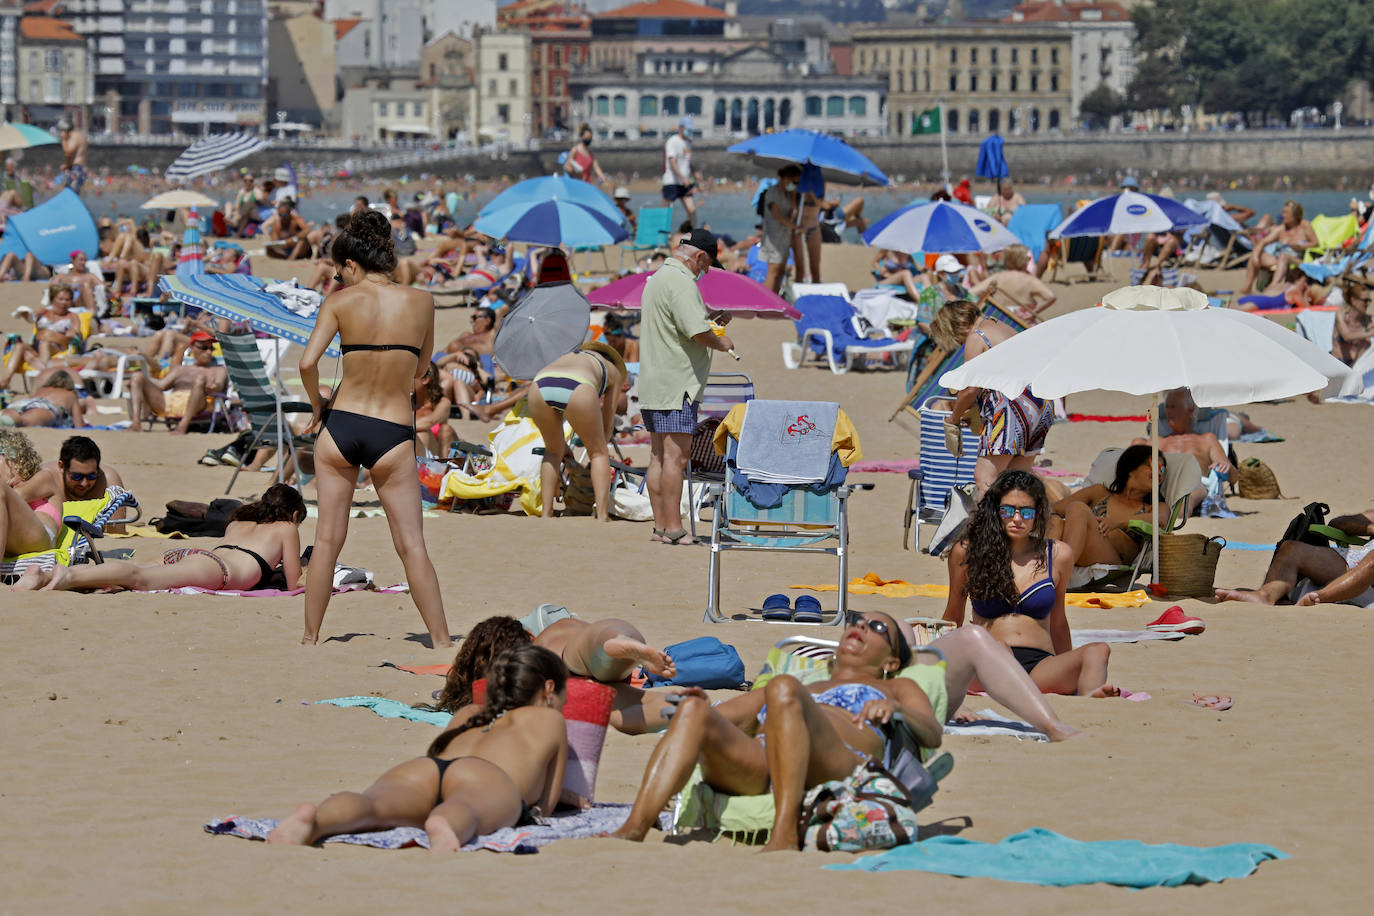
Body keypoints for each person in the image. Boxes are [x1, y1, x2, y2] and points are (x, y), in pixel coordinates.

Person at [609, 610, 941, 850]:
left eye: (877, 626)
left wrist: (898, 711)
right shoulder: (797, 685)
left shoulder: (899, 688)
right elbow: (721, 717)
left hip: (840, 762)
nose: (862, 626)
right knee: (694, 709)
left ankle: (784, 833)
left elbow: (932, 734)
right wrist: (693, 710)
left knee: (783, 688)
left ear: (892, 662)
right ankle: (635, 826)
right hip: (766, 762)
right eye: (857, 620)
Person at [298, 209, 451, 648]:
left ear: (350, 263)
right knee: (411, 545)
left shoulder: (341, 302)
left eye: (338, 272)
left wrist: (317, 404)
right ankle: (440, 640)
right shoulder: (421, 300)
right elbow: (421, 369)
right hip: (391, 428)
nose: (337, 280)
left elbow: (308, 363)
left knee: (327, 539)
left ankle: (310, 638)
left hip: (342, 423)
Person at [266, 645, 569, 853]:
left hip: (426, 770)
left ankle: (314, 821)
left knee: (373, 805)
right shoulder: (550, 718)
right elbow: (547, 803)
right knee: (467, 808)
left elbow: (441, 756)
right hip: (487, 779)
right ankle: (446, 822)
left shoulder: (468, 713)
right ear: (549, 689)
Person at [943, 470, 1119, 697]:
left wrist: (1067, 663)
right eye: (1007, 510)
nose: (1017, 519)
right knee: (1001, 650)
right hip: (988, 658)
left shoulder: (1057, 555)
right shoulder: (968, 552)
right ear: (995, 511)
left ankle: (1090, 699)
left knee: (1097, 651)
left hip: (1039, 665)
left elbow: (1058, 622)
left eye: (1026, 512)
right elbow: (953, 615)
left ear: (1037, 514)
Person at [13, 483, 305, 593]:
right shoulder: (286, 529)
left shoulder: (240, 520)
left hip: (196, 556)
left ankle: (45, 576)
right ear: (293, 516)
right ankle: (60, 577)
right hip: (217, 570)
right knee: (138, 576)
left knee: (130, 576)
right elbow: (295, 583)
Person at [426, 613, 677, 736]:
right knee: (596, 643)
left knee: (613, 707)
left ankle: (676, 709)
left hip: (575, 677)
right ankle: (620, 641)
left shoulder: (531, 664)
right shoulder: (554, 630)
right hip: (598, 644)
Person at [638, 229, 734, 545]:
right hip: (677, 382)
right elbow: (696, 332)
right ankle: (675, 528)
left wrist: (711, 323)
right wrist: (721, 342)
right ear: (699, 256)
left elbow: (683, 325)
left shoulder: (658, 279)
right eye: (704, 266)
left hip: (654, 380)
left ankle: (661, 527)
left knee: (657, 456)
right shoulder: (681, 283)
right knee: (676, 458)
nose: (703, 272)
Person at [933, 300, 1051, 494]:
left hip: (1012, 409)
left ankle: (988, 525)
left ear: (956, 325)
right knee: (1017, 482)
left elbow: (969, 390)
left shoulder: (976, 335)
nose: (959, 343)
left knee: (984, 477)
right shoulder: (998, 324)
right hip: (1040, 404)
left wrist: (952, 420)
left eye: (955, 338)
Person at [527, 341, 627, 521]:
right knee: (598, 453)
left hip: (540, 383)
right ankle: (602, 514)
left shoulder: (570, 355)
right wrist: (601, 442)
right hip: (579, 385)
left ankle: (546, 512)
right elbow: (608, 421)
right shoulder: (613, 371)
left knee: (552, 450)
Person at [1215, 507, 1374, 606]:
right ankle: (1264, 596)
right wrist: (1369, 528)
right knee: (1291, 549)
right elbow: (1338, 523)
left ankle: (1321, 597)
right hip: (1357, 560)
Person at [1048, 444, 1162, 568]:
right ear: (1132, 466)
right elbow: (1053, 508)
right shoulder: (1099, 493)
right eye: (1154, 464)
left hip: (1114, 558)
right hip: (1079, 547)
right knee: (1056, 522)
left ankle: (1055, 573)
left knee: (1078, 508)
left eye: (1164, 470)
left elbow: (1160, 519)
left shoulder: (1154, 507)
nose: (1160, 472)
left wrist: (1118, 523)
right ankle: (1044, 573)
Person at [1131, 388, 1232, 514]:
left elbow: (1232, 476)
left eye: (1173, 406)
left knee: (1183, 502)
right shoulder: (1157, 440)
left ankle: (1171, 528)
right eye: (1167, 407)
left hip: (1194, 484)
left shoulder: (1207, 439)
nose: (1168, 411)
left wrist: (1227, 467)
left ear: (1190, 410)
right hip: (1161, 481)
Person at [127, 330, 228, 434]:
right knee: (137, 377)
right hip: (169, 404)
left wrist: (214, 387)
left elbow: (219, 385)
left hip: (199, 406)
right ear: (192, 348)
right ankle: (136, 423)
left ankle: (183, 425)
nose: (209, 352)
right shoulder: (180, 369)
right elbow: (161, 385)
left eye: (211, 348)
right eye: (204, 348)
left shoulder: (219, 370)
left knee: (200, 379)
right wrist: (139, 382)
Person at [0, 286, 81, 391]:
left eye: (67, 299)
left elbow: (77, 336)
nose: (64, 303)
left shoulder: (72, 316)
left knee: (44, 343)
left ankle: (42, 378)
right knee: (19, 346)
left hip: (57, 346)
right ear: (53, 299)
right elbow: (31, 318)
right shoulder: (44, 312)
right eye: (60, 299)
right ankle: (6, 380)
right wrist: (25, 314)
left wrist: (72, 333)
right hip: (37, 346)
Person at [0, 429, 60, 559]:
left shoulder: (44, 477)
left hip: (40, 538)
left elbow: (18, 495)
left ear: (15, 462)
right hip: (13, 541)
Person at [1240, 200, 1319, 295]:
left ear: (1295, 214)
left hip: (1296, 260)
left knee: (1284, 256)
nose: (1282, 215)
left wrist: (1301, 246)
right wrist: (1256, 257)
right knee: (1257, 253)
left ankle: (1272, 286)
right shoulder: (1281, 229)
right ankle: (1248, 287)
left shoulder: (1304, 226)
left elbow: (1315, 243)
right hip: (1278, 258)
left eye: (1286, 213)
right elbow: (1263, 242)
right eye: (1282, 212)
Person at [966, 246, 1056, 323]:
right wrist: (1035, 312)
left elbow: (971, 292)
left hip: (1000, 322)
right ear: (1023, 260)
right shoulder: (1028, 280)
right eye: (1027, 257)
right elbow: (1051, 297)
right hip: (1023, 323)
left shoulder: (997, 277)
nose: (1029, 260)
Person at [759, 165, 799, 294]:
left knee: (781, 270)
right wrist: (795, 227)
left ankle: (774, 299)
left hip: (783, 237)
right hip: (773, 237)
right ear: (787, 178)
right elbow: (777, 215)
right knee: (773, 270)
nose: (796, 184)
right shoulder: (773, 192)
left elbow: (793, 211)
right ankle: (765, 302)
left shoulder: (787, 194)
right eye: (795, 182)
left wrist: (793, 195)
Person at [0, 370, 83, 428]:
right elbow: (79, 424)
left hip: (24, 402)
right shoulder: (71, 394)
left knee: (12, 417)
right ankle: (7, 420)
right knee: (24, 421)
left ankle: (7, 418)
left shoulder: (42, 389)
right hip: (47, 406)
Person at [661, 116, 699, 227]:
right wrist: (683, 178)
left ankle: (693, 236)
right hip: (672, 181)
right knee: (666, 211)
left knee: (692, 210)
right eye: (688, 128)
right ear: (681, 127)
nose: (690, 131)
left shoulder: (688, 143)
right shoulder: (672, 141)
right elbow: (672, 162)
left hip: (685, 183)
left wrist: (694, 172)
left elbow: (686, 161)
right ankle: (663, 236)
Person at [413, 365, 455, 459]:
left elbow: (430, 421)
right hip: (413, 448)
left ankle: (443, 468)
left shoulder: (443, 402)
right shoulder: (408, 401)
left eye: (412, 376)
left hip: (436, 452)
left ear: (425, 379)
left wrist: (401, 429)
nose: (406, 380)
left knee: (425, 433)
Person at [1333, 281, 1374, 366]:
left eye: (1369, 300)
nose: (1368, 304)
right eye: (1365, 300)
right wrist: (1370, 333)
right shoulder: (1341, 315)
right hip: (1337, 363)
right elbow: (1347, 336)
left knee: (1367, 343)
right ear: (1353, 300)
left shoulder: (1368, 320)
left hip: (1355, 365)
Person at [56, 119, 87, 194]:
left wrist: (63, 140)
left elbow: (69, 152)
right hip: (79, 168)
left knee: (70, 194)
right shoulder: (80, 135)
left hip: (75, 169)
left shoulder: (74, 136)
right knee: (73, 194)